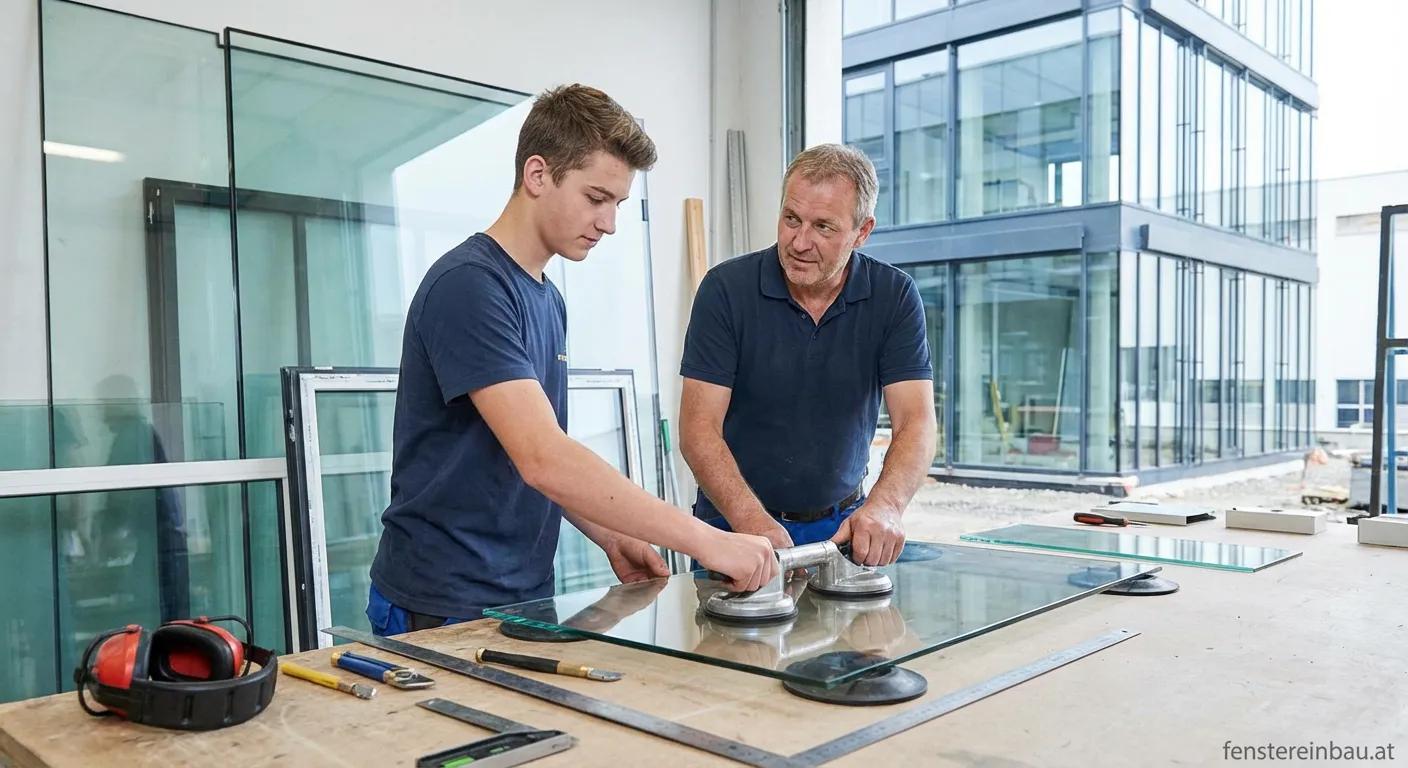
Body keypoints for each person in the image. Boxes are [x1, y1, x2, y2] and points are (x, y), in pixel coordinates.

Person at [366, 84, 778, 637]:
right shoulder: (470, 287)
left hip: (521, 589)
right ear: (538, 175)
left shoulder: (545, 296)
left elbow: (530, 453)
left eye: (618, 204)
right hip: (442, 597)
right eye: (596, 197)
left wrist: (612, 534)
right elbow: (544, 457)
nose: (608, 222)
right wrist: (709, 540)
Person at [678, 143, 937, 568]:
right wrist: (750, 520)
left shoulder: (895, 297)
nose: (800, 242)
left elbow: (917, 421)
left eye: (823, 227)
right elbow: (698, 428)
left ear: (862, 231)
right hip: (734, 525)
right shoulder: (725, 290)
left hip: (843, 530)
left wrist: (886, 505)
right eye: (791, 219)